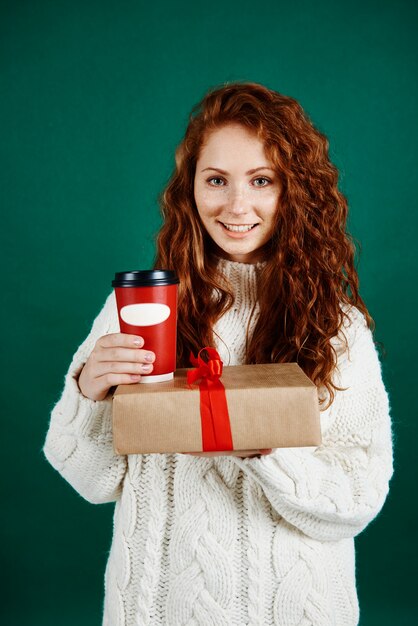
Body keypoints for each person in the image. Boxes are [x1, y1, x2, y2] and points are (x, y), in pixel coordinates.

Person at [43, 82, 394, 626]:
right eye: (216, 180)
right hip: (154, 608)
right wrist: (88, 393)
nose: (236, 205)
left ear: (293, 191)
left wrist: (262, 445)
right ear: (190, 190)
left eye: (261, 181)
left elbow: (357, 497)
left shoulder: (337, 327)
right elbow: (92, 481)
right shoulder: (139, 308)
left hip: (295, 612)